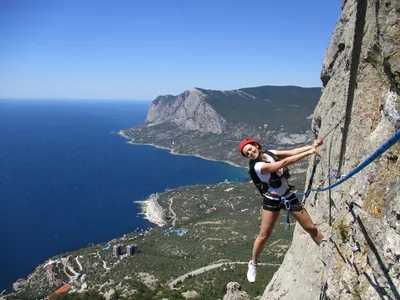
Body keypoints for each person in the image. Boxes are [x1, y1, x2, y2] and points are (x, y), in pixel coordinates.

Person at [238, 138, 325, 283]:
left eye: (251, 149)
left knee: (310, 227)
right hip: (272, 200)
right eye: (248, 153)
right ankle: (253, 263)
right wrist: (310, 152)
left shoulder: (270, 153)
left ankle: (325, 246)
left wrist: (312, 146)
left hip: (288, 195)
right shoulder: (258, 166)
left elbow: (291, 152)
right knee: (264, 235)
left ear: (256, 146)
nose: (251, 153)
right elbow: (284, 163)